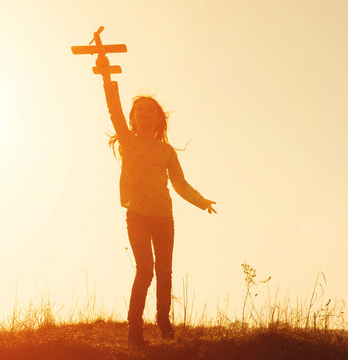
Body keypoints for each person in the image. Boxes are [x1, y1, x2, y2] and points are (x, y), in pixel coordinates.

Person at [97, 57, 216, 349]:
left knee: (165, 271)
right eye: (140, 111)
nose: (145, 114)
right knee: (145, 271)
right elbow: (114, 111)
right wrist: (107, 78)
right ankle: (134, 333)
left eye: (150, 110)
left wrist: (201, 201)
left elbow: (179, 183)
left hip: (164, 218)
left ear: (159, 118)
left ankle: (164, 321)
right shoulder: (128, 141)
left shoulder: (166, 152)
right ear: (133, 118)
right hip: (137, 215)